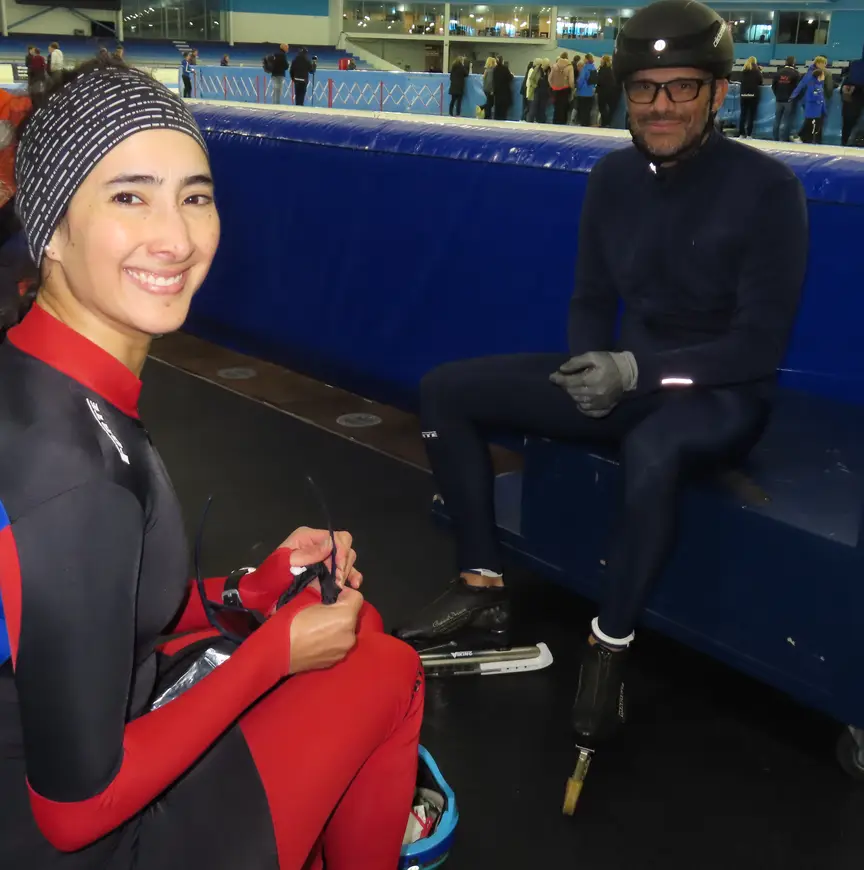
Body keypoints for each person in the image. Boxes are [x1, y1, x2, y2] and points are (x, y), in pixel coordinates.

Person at [0, 58, 424, 869]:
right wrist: (272, 654)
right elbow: (75, 812)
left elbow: (82, 608)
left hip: (60, 739)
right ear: (51, 228)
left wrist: (248, 592)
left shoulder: (41, 376)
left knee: (354, 629)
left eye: (194, 196)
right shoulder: (72, 471)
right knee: (385, 667)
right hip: (76, 838)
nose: (177, 237)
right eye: (130, 197)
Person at [395, 0, 808, 750]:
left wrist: (634, 369)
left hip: (718, 395)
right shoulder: (613, 176)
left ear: (718, 93)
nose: (660, 104)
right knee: (444, 390)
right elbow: (590, 297)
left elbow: (756, 347)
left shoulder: (768, 188)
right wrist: (588, 364)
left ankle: (608, 648)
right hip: (626, 377)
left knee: (653, 448)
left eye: (682, 87)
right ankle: (482, 584)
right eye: (645, 87)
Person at [793, 65, 827, 144]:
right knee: (809, 125)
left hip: (818, 110)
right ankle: (800, 136)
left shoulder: (819, 85)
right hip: (812, 109)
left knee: (813, 126)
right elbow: (810, 97)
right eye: (823, 75)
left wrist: (824, 109)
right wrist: (818, 101)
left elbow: (822, 98)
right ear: (819, 76)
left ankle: (808, 139)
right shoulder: (812, 85)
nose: (824, 77)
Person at [772, 56, 800, 142]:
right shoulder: (796, 73)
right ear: (793, 63)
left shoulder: (778, 72)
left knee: (777, 119)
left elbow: (773, 86)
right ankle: (782, 139)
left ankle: (775, 138)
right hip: (789, 100)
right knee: (786, 120)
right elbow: (798, 88)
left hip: (779, 99)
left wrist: (777, 95)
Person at [738, 56, 762, 139]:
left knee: (743, 115)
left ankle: (741, 134)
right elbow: (760, 82)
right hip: (753, 95)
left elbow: (740, 80)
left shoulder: (743, 71)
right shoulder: (757, 71)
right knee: (751, 116)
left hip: (743, 95)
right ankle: (749, 134)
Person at [549, 51, 575, 124]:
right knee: (563, 107)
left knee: (556, 107)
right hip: (565, 89)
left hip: (555, 90)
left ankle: (555, 121)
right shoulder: (569, 67)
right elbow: (571, 81)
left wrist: (553, 86)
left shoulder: (554, 66)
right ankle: (562, 122)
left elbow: (550, 78)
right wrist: (572, 88)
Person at [595, 54, 619, 127]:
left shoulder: (602, 70)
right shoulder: (611, 70)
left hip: (602, 91)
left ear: (604, 61)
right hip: (611, 92)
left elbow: (599, 81)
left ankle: (604, 123)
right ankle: (608, 123)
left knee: (602, 108)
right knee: (610, 108)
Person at [574, 52, 597, 126]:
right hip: (590, 92)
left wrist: (577, 87)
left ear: (587, 59)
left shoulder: (585, 68)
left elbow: (581, 80)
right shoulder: (594, 68)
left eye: (584, 58)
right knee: (588, 110)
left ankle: (583, 124)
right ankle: (587, 123)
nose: (583, 60)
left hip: (583, 92)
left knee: (582, 110)